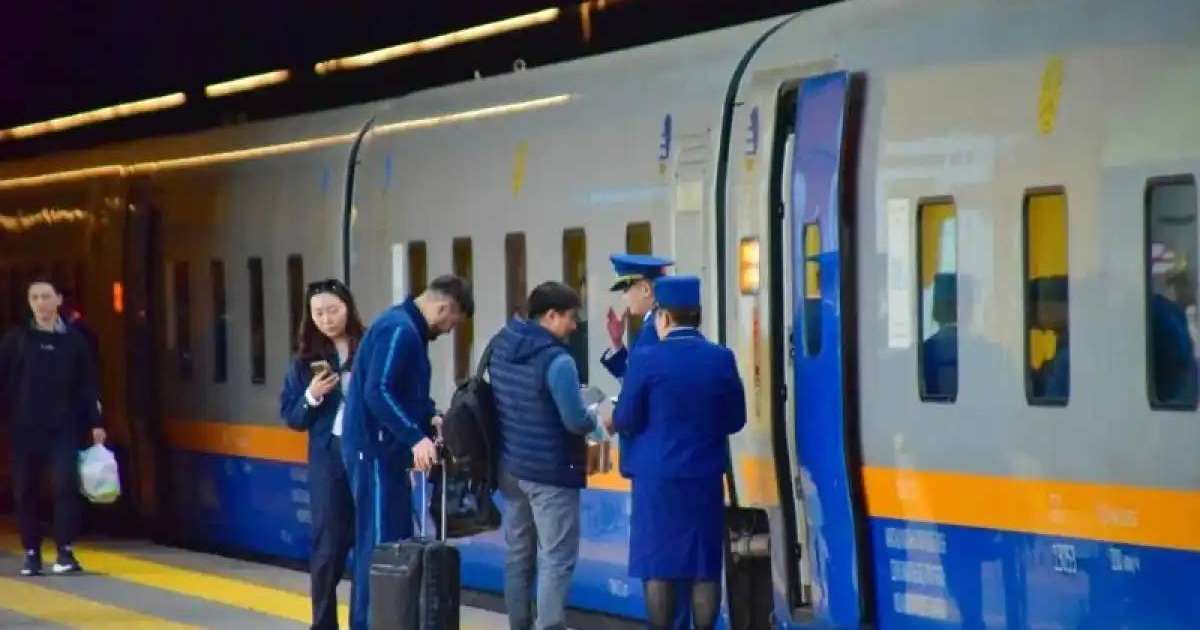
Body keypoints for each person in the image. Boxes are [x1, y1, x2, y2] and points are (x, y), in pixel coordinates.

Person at [608, 276, 746, 630]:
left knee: (659, 566)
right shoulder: (721, 358)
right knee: (703, 567)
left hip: (657, 481)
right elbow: (735, 419)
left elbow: (626, 418)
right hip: (703, 478)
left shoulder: (648, 360)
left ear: (664, 317)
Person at [340, 274, 473, 630]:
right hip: (376, 452)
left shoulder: (406, 330)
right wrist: (415, 438)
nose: (448, 330)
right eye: (451, 323)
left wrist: (430, 417)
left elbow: (405, 391)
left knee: (390, 540)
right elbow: (378, 391)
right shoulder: (399, 330)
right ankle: (370, 623)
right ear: (444, 307)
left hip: (384, 452)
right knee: (381, 546)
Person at [489, 282, 599, 630]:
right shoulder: (558, 361)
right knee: (556, 557)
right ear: (550, 316)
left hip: (512, 468)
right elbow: (575, 421)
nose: (574, 326)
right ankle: (549, 625)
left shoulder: (502, 345)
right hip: (551, 472)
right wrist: (599, 416)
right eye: (570, 318)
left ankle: (519, 625)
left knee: (519, 554)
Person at [0, 277, 105, 576]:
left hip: (64, 427)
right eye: (34, 297)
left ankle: (65, 552)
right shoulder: (16, 339)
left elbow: (88, 383)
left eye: (46, 297)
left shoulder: (75, 340)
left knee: (65, 487)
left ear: (59, 300)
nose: (40, 303)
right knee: (26, 490)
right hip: (24, 428)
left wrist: (96, 422)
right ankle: (31, 553)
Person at [280, 278, 365, 630]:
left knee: (367, 547)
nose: (327, 319)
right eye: (319, 313)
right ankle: (324, 623)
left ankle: (364, 621)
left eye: (333, 310)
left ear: (348, 308)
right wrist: (312, 395)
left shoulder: (369, 346)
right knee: (328, 547)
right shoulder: (304, 362)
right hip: (328, 459)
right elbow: (293, 417)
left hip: (365, 455)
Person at [600, 254, 674, 380]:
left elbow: (636, 384)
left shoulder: (652, 329)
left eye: (626, 290)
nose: (624, 297)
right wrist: (617, 342)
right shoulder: (663, 321)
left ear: (645, 290)